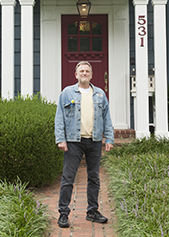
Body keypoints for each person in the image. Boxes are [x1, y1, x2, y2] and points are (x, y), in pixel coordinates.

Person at [54, 60, 114, 229]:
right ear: (76, 75)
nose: (84, 73)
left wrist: (109, 138)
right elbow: (59, 118)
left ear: (92, 75)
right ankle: (63, 214)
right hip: (74, 141)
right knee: (68, 178)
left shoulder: (100, 94)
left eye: (87, 71)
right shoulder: (67, 93)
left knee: (94, 178)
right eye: (81, 71)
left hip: (94, 141)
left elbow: (106, 119)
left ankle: (92, 211)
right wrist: (61, 139)